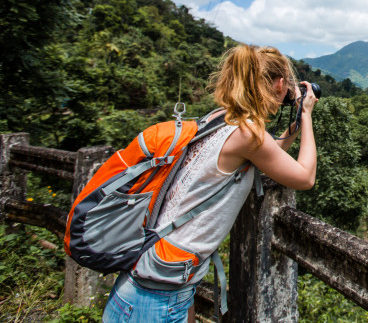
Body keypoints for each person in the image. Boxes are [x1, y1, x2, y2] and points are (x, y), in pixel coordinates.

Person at [102, 44, 318, 323]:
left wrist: (293, 126)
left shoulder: (220, 119)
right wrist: (307, 115)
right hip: (157, 296)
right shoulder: (248, 135)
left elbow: (269, 154)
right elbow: (305, 177)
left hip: (151, 279)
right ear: (278, 85)